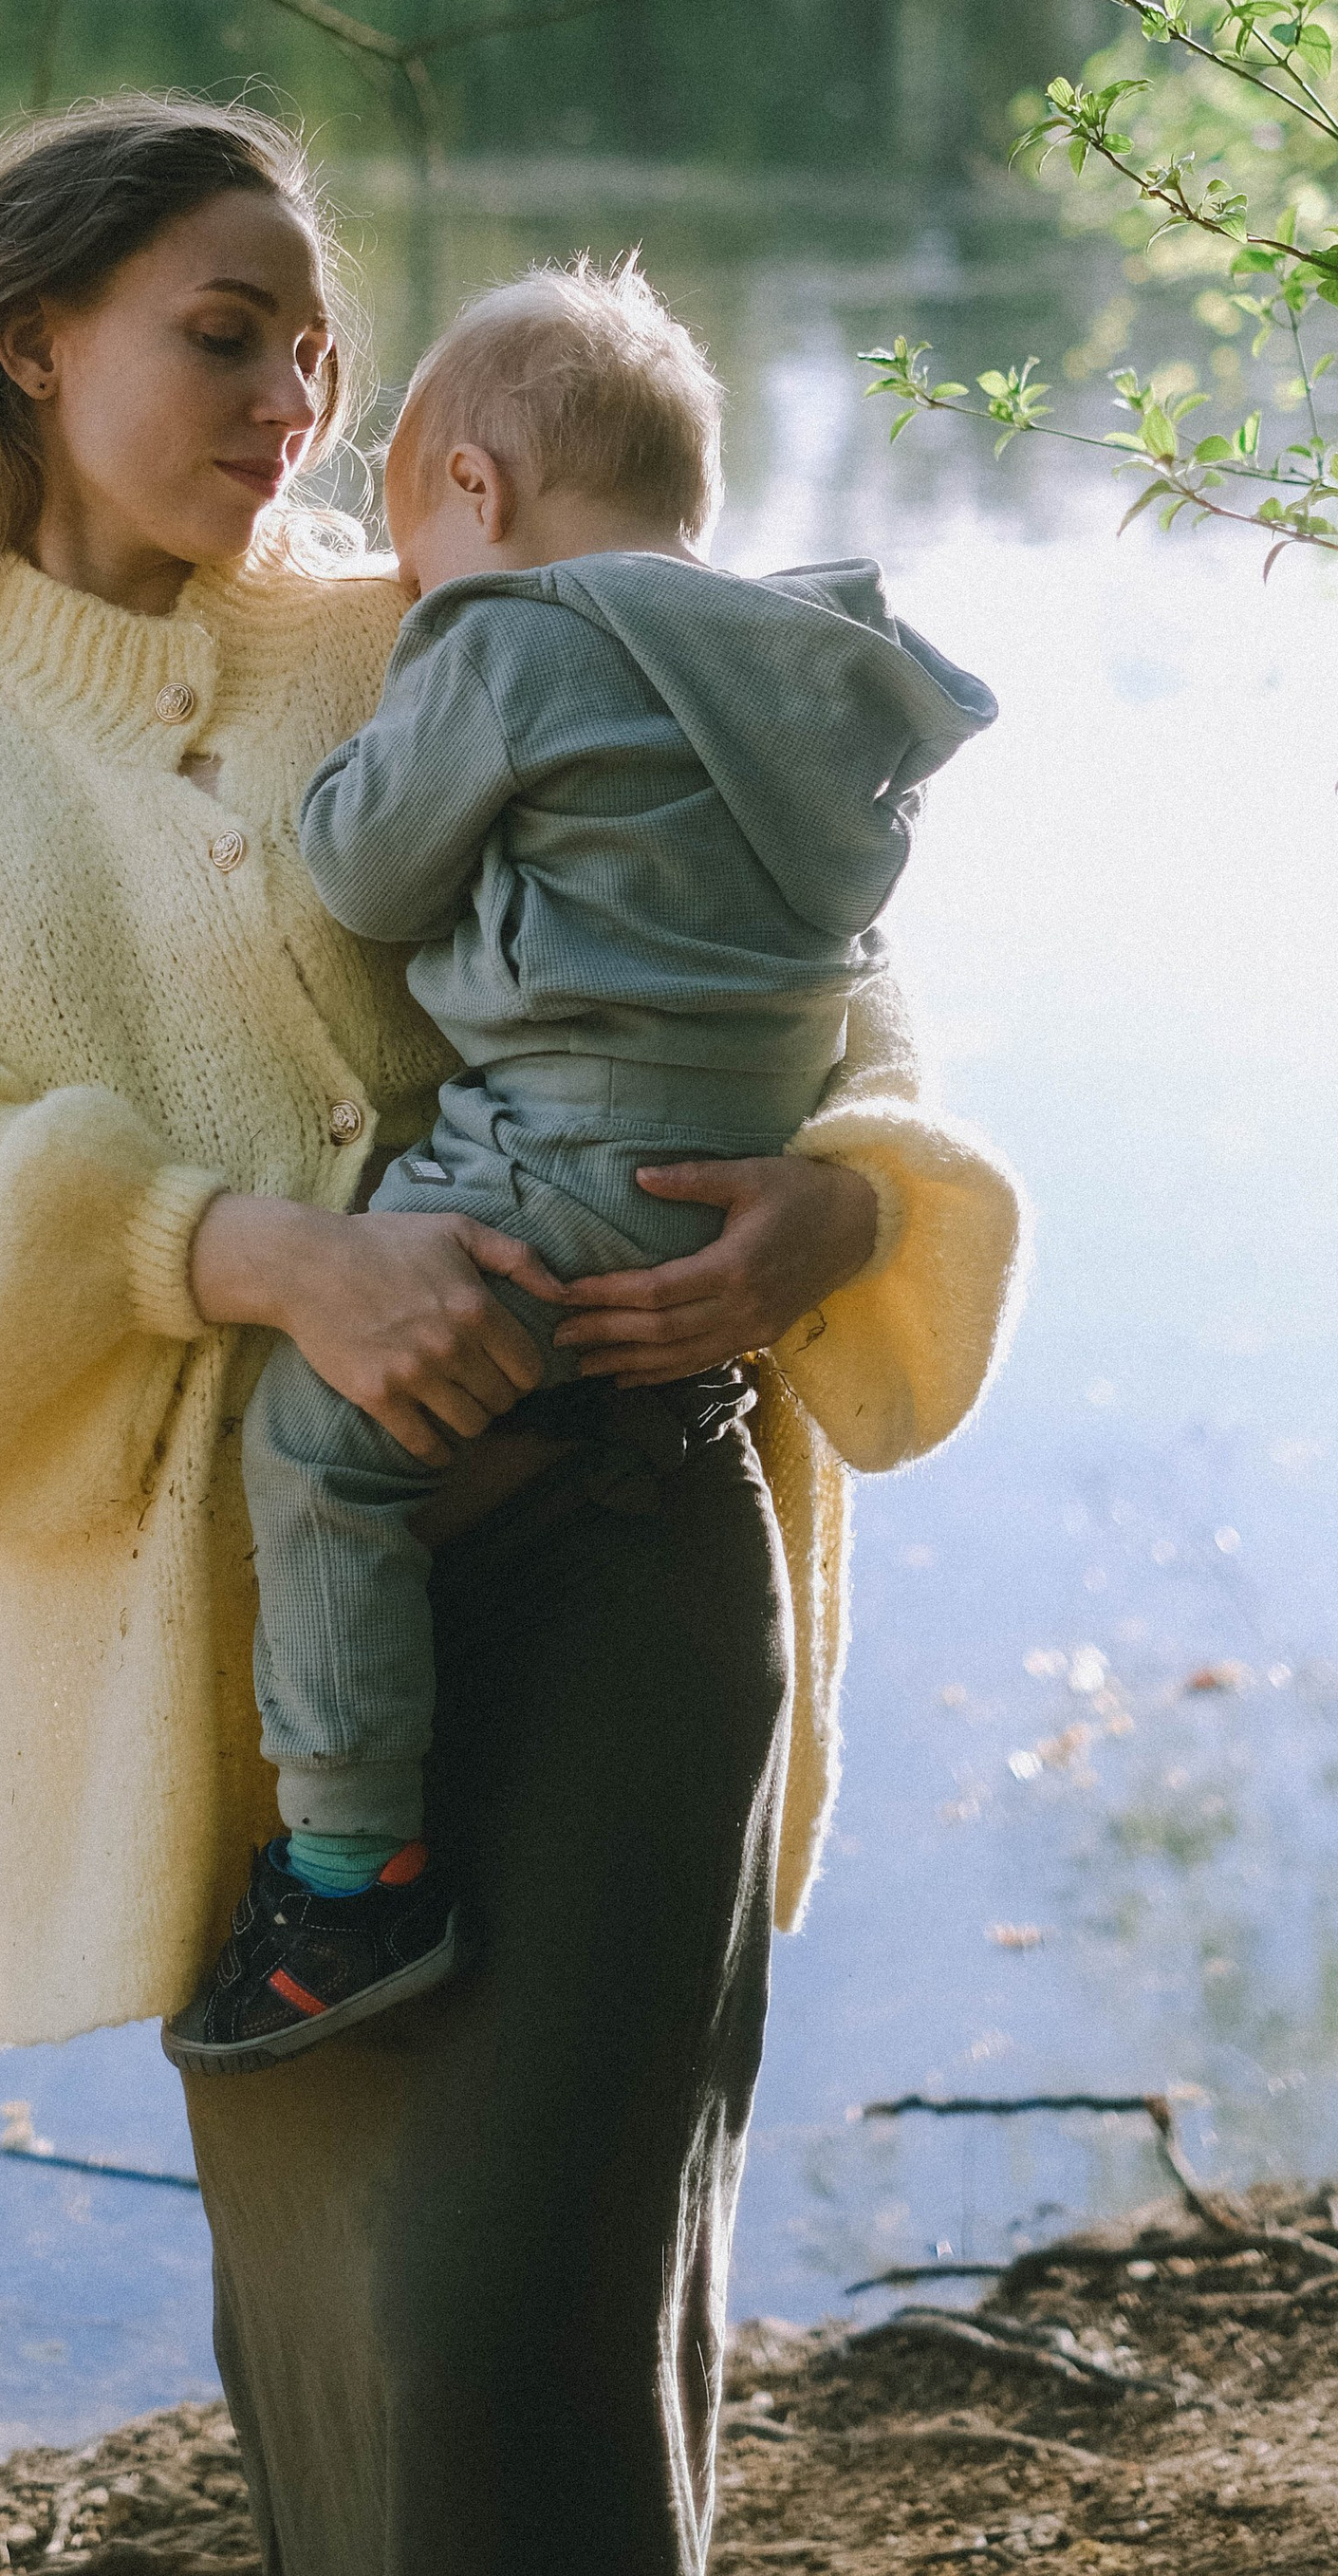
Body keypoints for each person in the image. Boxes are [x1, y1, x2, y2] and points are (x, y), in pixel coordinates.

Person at [0, 94, 1025, 2576]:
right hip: (261, 1695)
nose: (295, 395)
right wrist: (258, 1254)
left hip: (623, 1560)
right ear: (26, 337)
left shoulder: (424, 619)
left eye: (316, 347)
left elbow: (800, 941)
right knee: (352, 2353)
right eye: (224, 335)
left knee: (526, 2339)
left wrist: (848, 1202)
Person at [163, 256, 997, 2072]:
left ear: (476, 491)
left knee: (313, 1444)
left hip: (559, 1165)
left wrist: (370, 727)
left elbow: (369, 878)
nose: (413, 594)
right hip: (746, 1167)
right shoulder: (821, 679)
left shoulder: (512, 641)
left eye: (411, 553)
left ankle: (352, 1872)